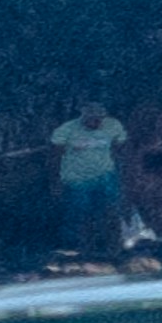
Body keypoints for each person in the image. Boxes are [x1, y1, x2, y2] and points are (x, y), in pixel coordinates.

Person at [49, 102, 132, 254]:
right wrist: (55, 182)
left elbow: (122, 148)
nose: (96, 122)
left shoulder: (113, 126)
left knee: (110, 211)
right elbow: (55, 156)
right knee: (83, 215)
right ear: (83, 117)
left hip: (105, 176)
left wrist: (125, 173)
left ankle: (115, 248)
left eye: (99, 119)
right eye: (92, 119)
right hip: (77, 179)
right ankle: (87, 249)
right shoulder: (66, 130)